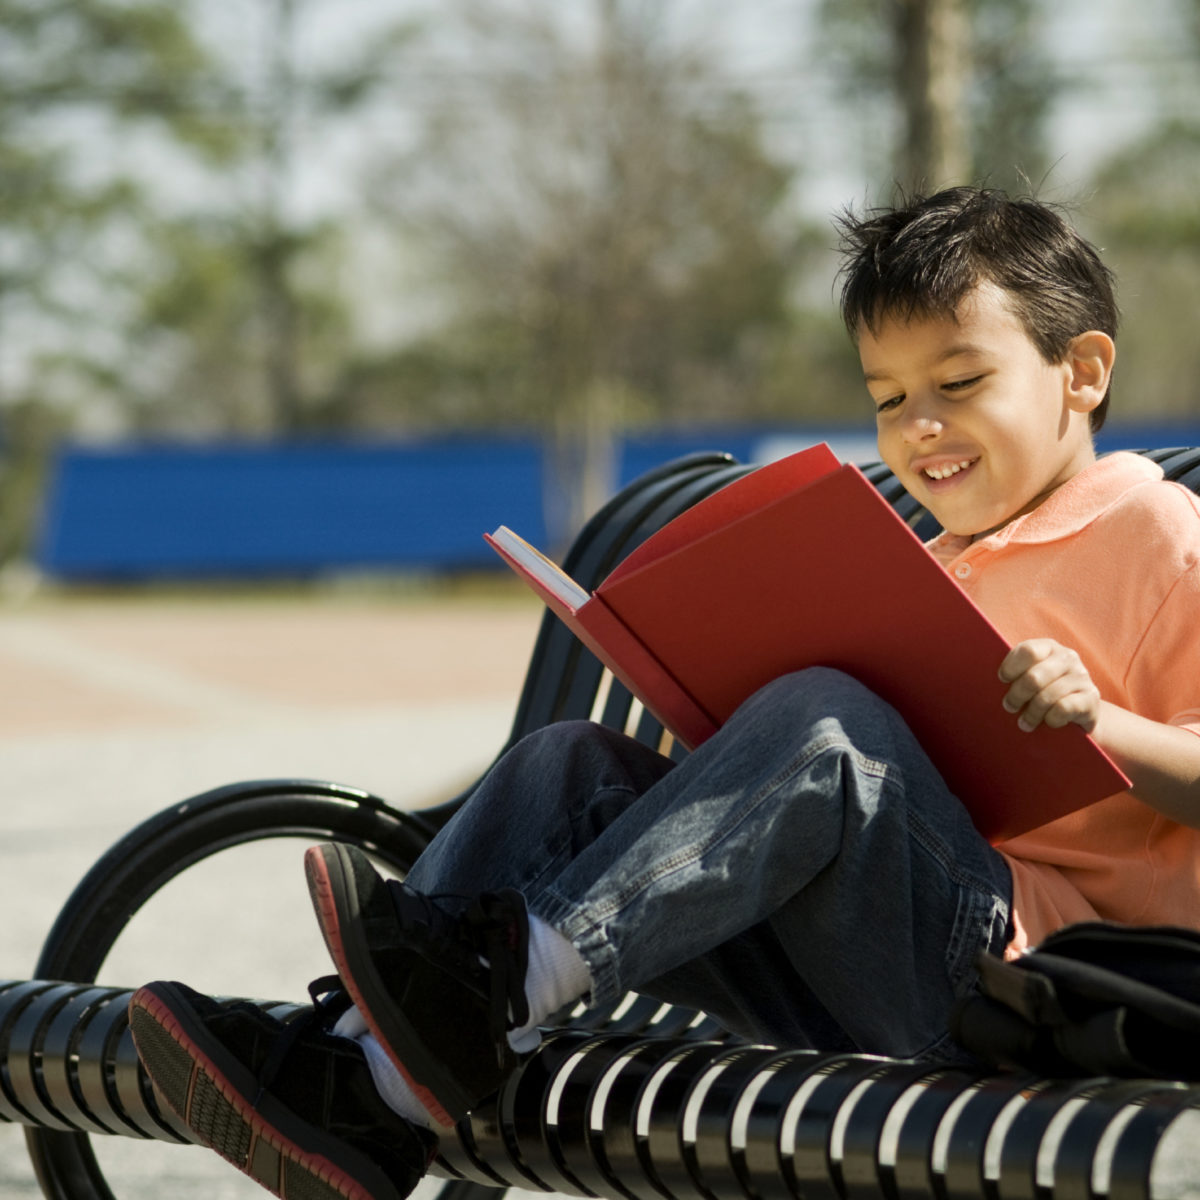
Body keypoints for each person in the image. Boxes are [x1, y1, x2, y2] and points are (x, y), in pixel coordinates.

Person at [127, 185, 1200, 1200]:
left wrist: (1099, 720)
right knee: (573, 765)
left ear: (1082, 370)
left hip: (1018, 985)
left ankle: (490, 1001)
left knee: (830, 721)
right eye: (889, 398)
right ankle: (356, 1079)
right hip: (857, 955)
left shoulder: (1154, 535)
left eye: (959, 384)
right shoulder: (943, 554)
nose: (920, 426)